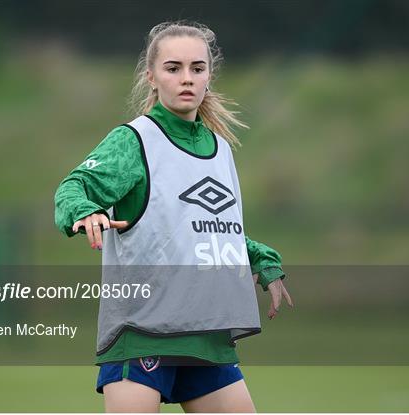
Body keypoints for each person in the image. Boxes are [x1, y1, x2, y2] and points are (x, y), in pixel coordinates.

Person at [54, 20, 293, 413]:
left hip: (206, 335)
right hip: (143, 330)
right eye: (173, 68)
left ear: (209, 76)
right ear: (151, 77)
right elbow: (72, 188)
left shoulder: (220, 149)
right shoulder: (135, 140)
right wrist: (85, 212)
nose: (187, 78)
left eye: (197, 69)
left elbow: (200, 229)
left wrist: (259, 257)